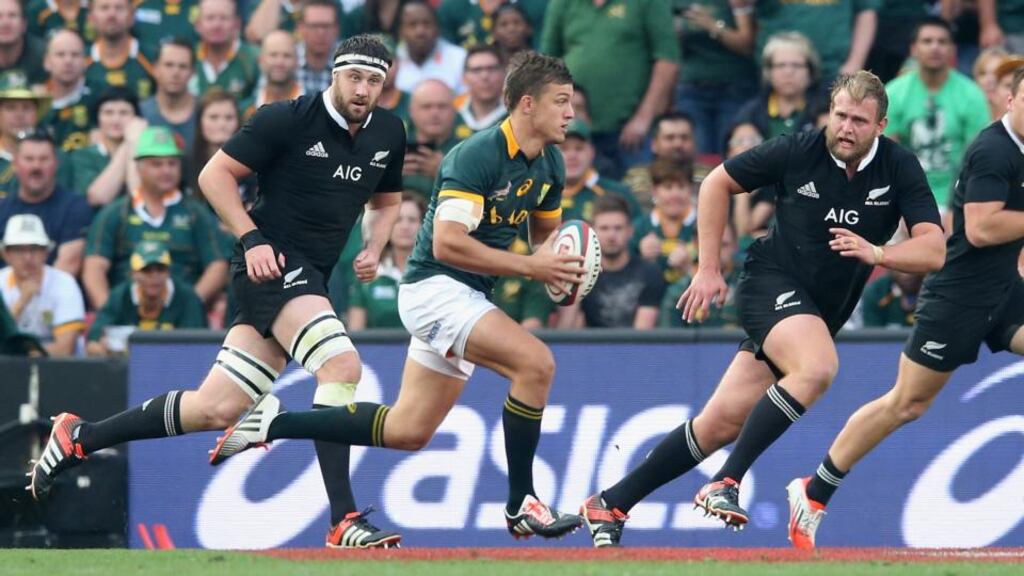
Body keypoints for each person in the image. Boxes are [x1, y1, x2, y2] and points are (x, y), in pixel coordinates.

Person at [29, 35, 409, 550]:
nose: (363, 89)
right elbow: (214, 176)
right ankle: (342, 519)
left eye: (374, 81)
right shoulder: (286, 118)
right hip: (269, 263)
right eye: (355, 77)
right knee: (342, 367)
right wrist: (250, 238)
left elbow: (387, 201)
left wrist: (375, 243)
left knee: (214, 408)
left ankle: (81, 436)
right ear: (335, 75)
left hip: (311, 275)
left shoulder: (389, 130)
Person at [208, 51, 587, 541]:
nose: (571, 114)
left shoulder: (552, 164)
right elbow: (450, 242)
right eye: (561, 102)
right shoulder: (478, 154)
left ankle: (274, 424)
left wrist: (561, 274)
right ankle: (521, 503)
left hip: (469, 295)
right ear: (528, 105)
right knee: (536, 364)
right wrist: (535, 268)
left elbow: (544, 246)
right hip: (435, 289)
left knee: (408, 431)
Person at [578, 71, 946, 546]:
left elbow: (933, 251)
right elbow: (714, 184)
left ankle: (609, 504)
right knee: (816, 369)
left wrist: (879, 254)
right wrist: (709, 268)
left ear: (880, 125)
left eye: (858, 120)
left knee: (718, 424)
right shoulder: (798, 149)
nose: (845, 127)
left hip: (818, 311)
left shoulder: (899, 167)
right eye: (839, 115)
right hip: (769, 284)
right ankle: (726, 482)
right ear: (828, 114)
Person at [785, 66, 1024, 549]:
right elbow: (980, 229)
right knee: (907, 403)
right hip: (959, 296)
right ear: (1010, 101)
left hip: (1007, 290)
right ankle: (813, 491)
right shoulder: (994, 149)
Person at [82, 126, 228, 309]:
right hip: (127, 313)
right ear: (138, 168)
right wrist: (109, 312)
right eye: (157, 164)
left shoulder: (196, 213)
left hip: (182, 317)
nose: (166, 170)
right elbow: (94, 267)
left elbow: (217, 266)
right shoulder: (115, 213)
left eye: (172, 163)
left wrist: (190, 305)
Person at [542, 0, 679, 178]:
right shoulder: (562, 3)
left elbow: (667, 59)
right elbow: (547, 62)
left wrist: (643, 117)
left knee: (637, 193)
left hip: (630, 132)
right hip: (575, 132)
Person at [885, 17, 990, 218]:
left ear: (953, 50)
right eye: (927, 41)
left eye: (942, 42)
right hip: (904, 198)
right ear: (913, 49)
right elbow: (886, 159)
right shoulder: (894, 93)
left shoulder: (972, 94)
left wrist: (955, 207)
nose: (935, 47)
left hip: (957, 198)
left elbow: (976, 160)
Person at [556, 194, 664, 329]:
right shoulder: (580, 273)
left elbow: (642, 335)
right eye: (604, 228)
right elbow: (566, 331)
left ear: (630, 231)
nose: (611, 236)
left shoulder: (649, 273)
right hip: (590, 348)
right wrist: (573, 287)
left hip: (633, 348)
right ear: (592, 231)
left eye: (618, 228)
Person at [86, 240, 206, 356]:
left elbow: (198, 344)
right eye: (146, 270)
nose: (154, 276)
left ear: (168, 272)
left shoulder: (187, 297)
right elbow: (94, 340)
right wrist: (101, 348)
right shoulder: (120, 296)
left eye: (160, 269)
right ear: (134, 273)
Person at [0, 130, 91, 276]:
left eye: (44, 159)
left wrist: (30, 295)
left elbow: (68, 266)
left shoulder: (75, 207)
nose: (36, 166)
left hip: (56, 295)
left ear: (56, 163)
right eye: (29, 159)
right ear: (15, 165)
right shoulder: (2, 209)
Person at [673, 0, 756, 155]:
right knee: (697, 154)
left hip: (733, 87)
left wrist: (712, 25)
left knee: (732, 153)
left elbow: (747, 46)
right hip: (692, 88)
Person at [0, 214, 84, 356]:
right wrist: (21, 302)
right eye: (19, 250)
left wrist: (27, 357)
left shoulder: (64, 283)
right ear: (6, 254)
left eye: (34, 249)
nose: (28, 257)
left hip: (56, 371)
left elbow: (65, 348)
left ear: (46, 253)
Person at [346, 193, 423, 331]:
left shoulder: (434, 274)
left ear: (423, 225)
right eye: (398, 220)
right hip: (377, 352)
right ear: (387, 226)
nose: (405, 226)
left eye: (412, 220)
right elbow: (356, 333)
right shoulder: (368, 271)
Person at [733, 32, 825, 144]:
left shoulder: (827, 111)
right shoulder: (751, 113)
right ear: (768, 72)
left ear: (810, 71)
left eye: (796, 65)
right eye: (781, 65)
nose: (788, 72)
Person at [63, 87, 139, 206]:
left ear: (136, 118)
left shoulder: (146, 154)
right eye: (108, 113)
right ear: (98, 118)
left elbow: (139, 197)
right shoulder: (82, 156)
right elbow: (97, 198)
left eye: (124, 113)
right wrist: (129, 143)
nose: (116, 120)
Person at [84, 0, 155, 99]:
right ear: (90, 18)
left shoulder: (153, 59)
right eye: (104, 8)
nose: (112, 14)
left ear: (132, 16)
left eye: (119, 8)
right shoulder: (80, 62)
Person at [189, 0, 260, 100]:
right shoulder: (187, 57)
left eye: (224, 18)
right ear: (198, 24)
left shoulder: (254, 58)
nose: (217, 25)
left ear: (237, 24)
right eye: (210, 18)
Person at [139, 40, 197, 158]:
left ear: (192, 72)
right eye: (169, 65)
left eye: (183, 66)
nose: (176, 73)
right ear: (155, 69)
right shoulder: (139, 113)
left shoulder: (206, 112)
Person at [394, 1, 466, 94]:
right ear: (401, 31)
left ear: (438, 28)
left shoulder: (460, 59)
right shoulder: (390, 62)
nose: (420, 31)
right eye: (412, 24)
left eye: (426, 23)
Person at [39, 30, 93, 153]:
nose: (68, 61)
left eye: (75, 55)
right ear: (47, 62)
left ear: (85, 61)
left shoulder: (100, 97)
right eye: (60, 54)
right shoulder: (34, 102)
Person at [241, 30, 303, 121]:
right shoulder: (246, 110)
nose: (280, 62)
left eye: (287, 56)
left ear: (297, 62)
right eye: (273, 55)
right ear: (260, 61)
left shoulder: (315, 109)